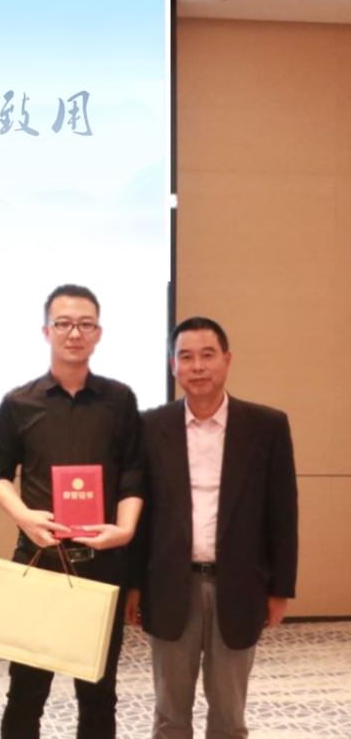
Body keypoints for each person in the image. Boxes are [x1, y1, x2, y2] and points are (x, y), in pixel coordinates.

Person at [128, 317, 298, 739]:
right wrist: (133, 585)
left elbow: (282, 513)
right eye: (186, 357)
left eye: (207, 355)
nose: (198, 366)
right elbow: (138, 513)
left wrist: (279, 589)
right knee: (170, 715)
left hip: (239, 586)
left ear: (227, 359)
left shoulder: (267, 426)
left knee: (228, 716)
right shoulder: (150, 427)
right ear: (173, 366)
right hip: (170, 586)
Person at [0, 284, 144, 739]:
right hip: (40, 561)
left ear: (98, 333)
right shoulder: (19, 402)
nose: (74, 333)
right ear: (46, 331)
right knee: (25, 693)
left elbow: (134, 474)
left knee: (98, 694)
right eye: (63, 324)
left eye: (84, 324)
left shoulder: (120, 400)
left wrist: (125, 530)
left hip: (101, 565)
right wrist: (24, 516)